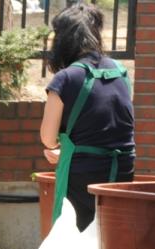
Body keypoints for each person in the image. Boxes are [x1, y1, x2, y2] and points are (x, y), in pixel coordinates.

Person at [40, 2, 135, 231]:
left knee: (76, 239)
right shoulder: (120, 71)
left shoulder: (65, 78)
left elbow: (48, 138)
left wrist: (57, 148)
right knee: (112, 236)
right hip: (122, 170)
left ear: (62, 40)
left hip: (83, 175)